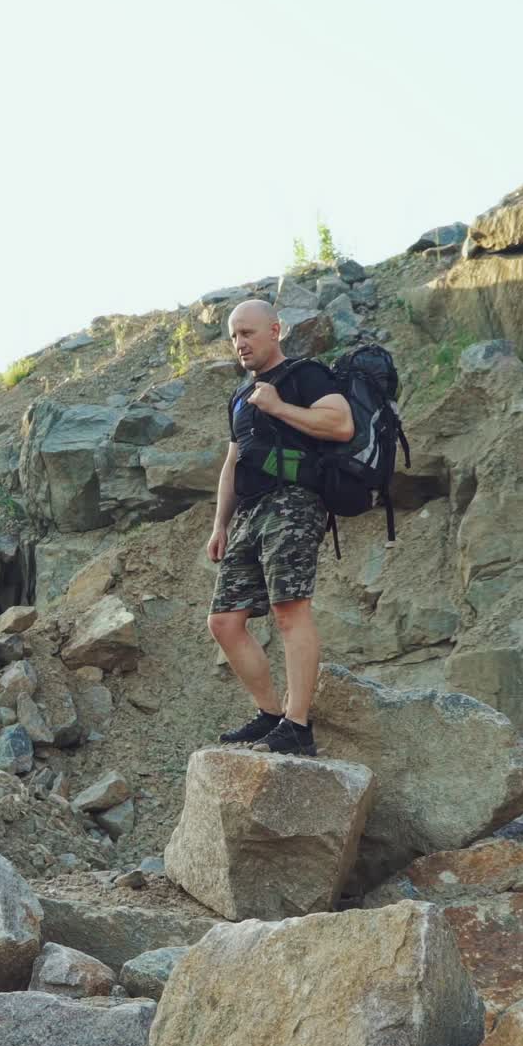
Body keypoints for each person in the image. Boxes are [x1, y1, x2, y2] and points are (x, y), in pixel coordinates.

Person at [206, 299, 354, 755]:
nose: (240, 344)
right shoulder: (239, 395)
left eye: (248, 333)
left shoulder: (305, 375)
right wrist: (220, 524)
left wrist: (279, 406)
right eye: (234, 336)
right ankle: (271, 714)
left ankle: (297, 725)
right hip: (250, 512)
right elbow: (234, 460)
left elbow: (341, 424)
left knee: (290, 611)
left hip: (294, 501)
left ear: (275, 330)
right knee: (225, 622)